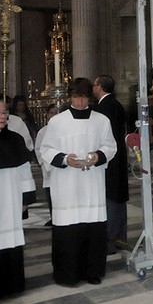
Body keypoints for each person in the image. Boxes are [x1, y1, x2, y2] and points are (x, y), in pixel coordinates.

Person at [40, 78, 117, 287]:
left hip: (92, 182)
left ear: (90, 97)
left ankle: (93, 272)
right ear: (69, 97)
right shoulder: (57, 122)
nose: (80, 102)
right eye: (76, 97)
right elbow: (46, 149)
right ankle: (67, 275)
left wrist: (97, 156)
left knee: (93, 228)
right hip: (67, 184)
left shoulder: (101, 120)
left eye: (83, 98)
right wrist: (65, 159)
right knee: (68, 230)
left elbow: (110, 146)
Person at [0, 100, 36, 303]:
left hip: (9, 201)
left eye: (4, 112)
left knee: (9, 242)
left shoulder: (15, 139)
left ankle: (11, 286)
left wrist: (26, 199)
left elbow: (24, 171)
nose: (2, 116)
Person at [93, 74, 129, 253]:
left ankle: (111, 239)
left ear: (99, 87)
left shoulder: (104, 107)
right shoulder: (115, 104)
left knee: (112, 198)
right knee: (117, 197)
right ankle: (119, 237)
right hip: (118, 156)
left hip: (110, 158)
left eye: (94, 85)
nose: (93, 88)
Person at [35, 104, 61, 226]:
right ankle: (53, 216)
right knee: (51, 193)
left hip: (63, 165)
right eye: (51, 113)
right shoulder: (42, 131)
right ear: (47, 115)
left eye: (56, 112)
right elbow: (39, 148)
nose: (53, 115)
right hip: (49, 167)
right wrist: (43, 163)